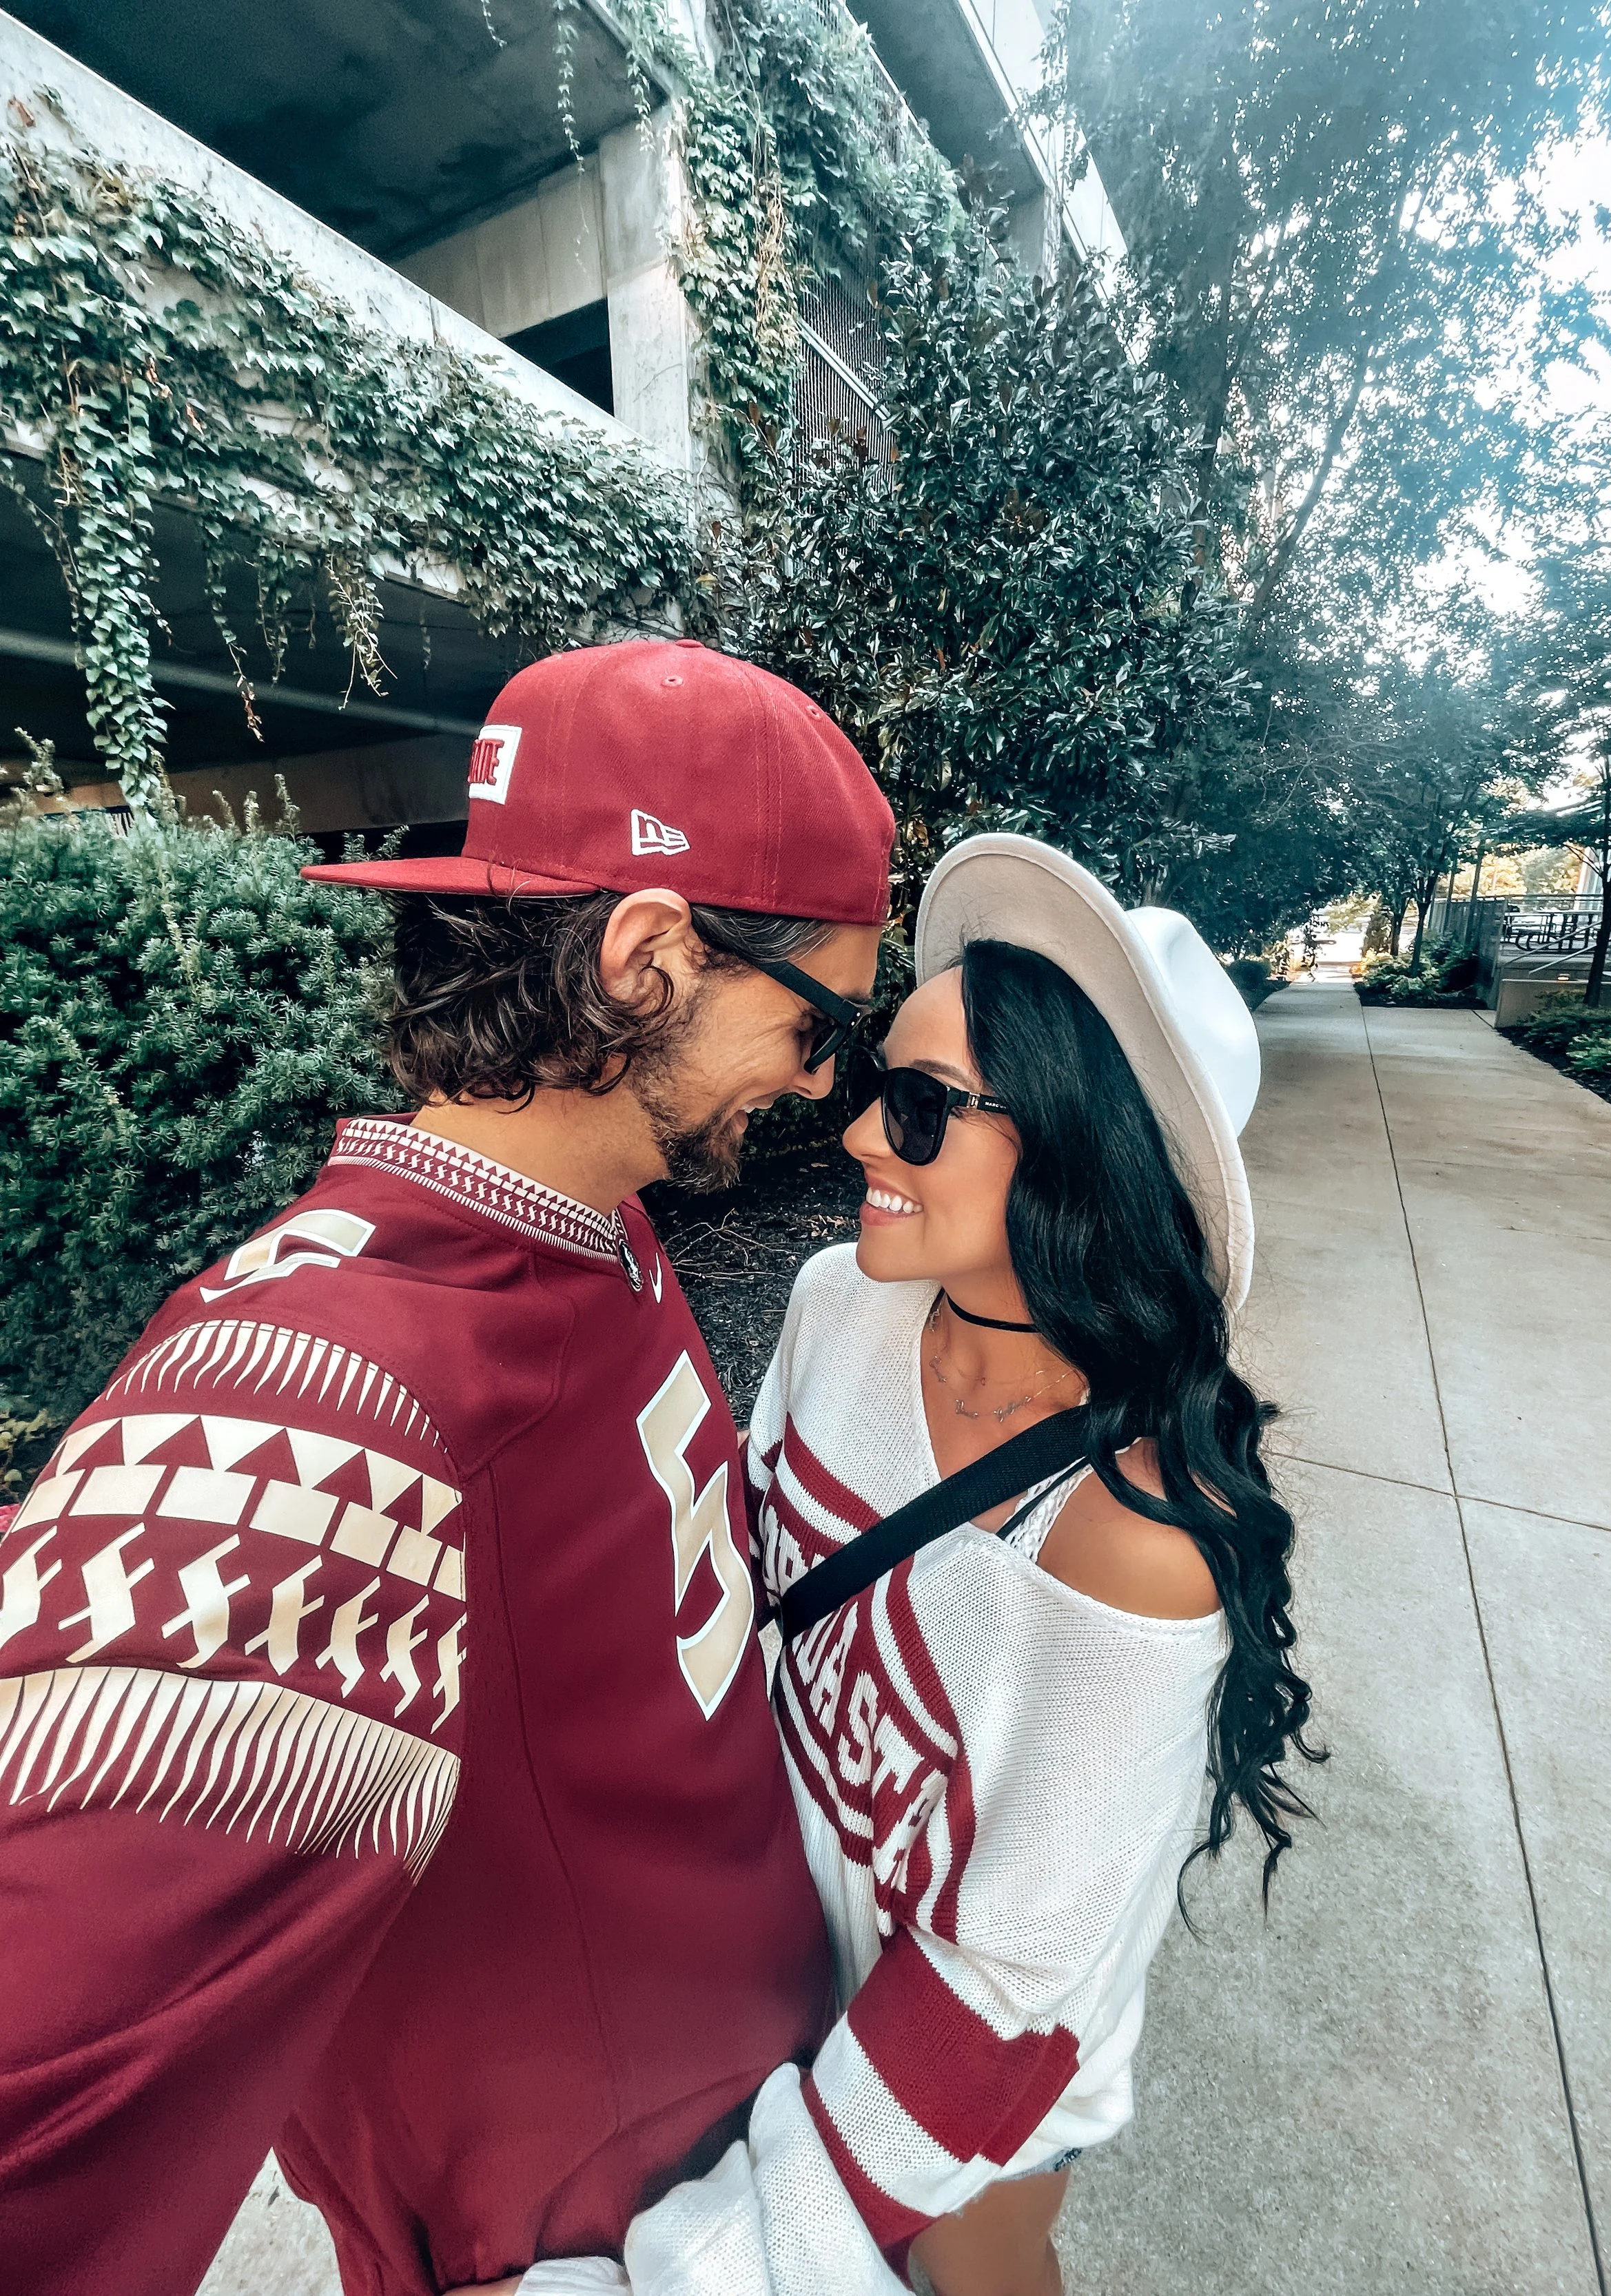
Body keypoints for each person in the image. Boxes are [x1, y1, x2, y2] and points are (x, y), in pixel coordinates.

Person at [0, 639, 894, 2295]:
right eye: (817, 1017)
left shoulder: (584, 1215)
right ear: (646, 958)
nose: (824, 1081)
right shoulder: (318, 1403)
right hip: (598, 2244)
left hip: (743, 2143)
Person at [741, 836, 1322, 2296]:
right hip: (774, 1971)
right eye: (883, 1079)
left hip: (973, 2081)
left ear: (1076, 1146)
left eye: (924, 1108)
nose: (862, 1133)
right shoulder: (836, 1305)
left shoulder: (1132, 1536)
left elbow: (1011, 1982)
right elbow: (753, 1585)